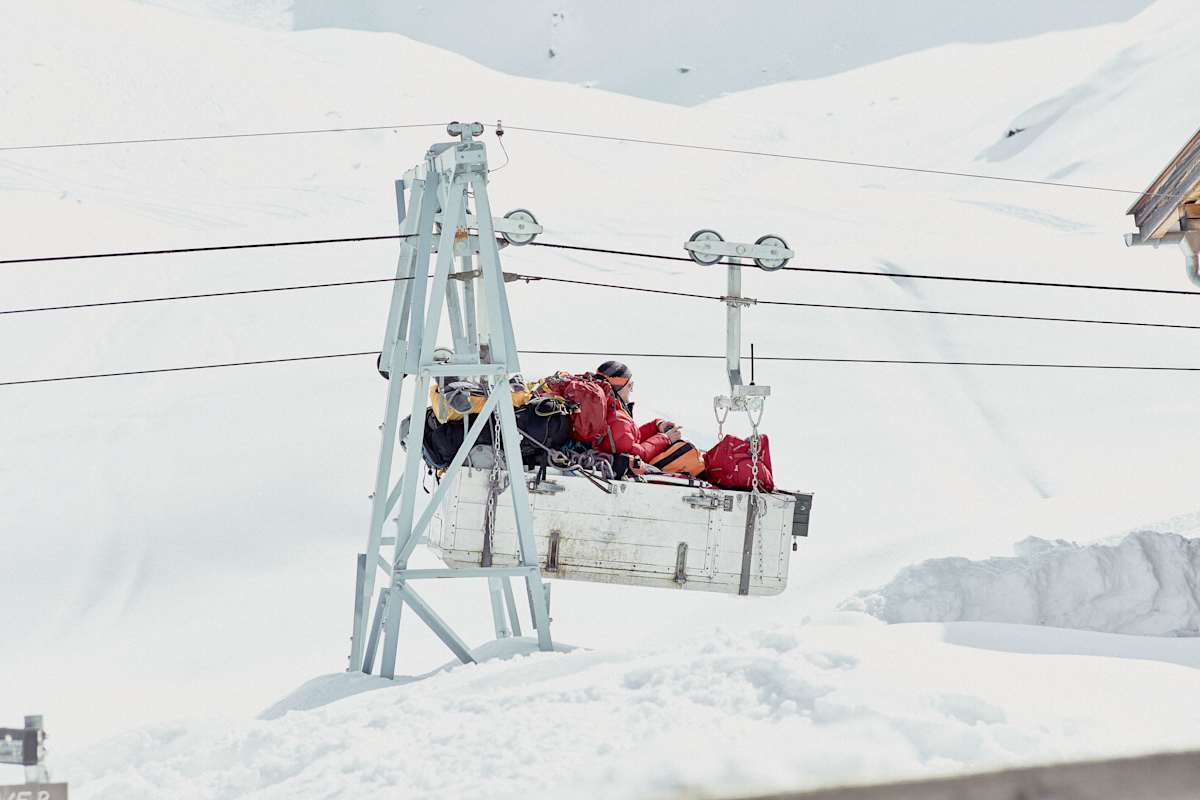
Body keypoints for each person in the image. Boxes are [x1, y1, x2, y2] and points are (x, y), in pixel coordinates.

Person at [594, 360, 682, 464]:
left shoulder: (605, 408)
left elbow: (627, 438)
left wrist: (655, 427)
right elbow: (636, 454)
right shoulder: (616, 417)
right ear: (618, 388)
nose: (631, 390)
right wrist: (666, 439)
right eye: (629, 385)